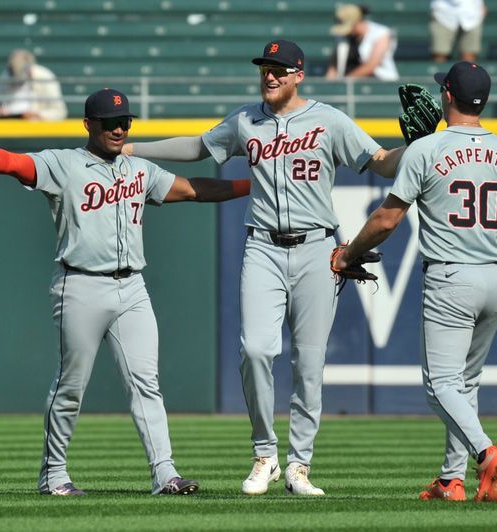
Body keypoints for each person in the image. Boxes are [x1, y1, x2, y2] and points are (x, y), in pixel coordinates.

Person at [123, 39, 404, 496]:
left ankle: (300, 466)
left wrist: (416, 145)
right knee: (255, 350)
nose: (269, 75)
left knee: (309, 363)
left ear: (298, 75)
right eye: (264, 68)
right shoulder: (245, 120)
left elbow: (380, 162)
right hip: (263, 248)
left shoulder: (328, 119)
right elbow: (199, 147)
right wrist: (136, 149)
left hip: (317, 249)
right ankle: (265, 455)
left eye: (279, 69)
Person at [0, 88, 250, 496]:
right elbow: (18, 165)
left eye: (125, 122)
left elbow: (193, 189)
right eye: (110, 122)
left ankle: (165, 474)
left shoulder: (138, 168)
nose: (119, 128)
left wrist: (252, 185)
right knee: (71, 385)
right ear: (89, 124)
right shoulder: (64, 164)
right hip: (80, 285)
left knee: (146, 382)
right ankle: (53, 475)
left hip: (132, 288)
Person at [332, 62, 497, 502]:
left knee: (440, 385)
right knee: (465, 384)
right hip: (496, 280)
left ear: (446, 95)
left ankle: (486, 453)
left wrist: (347, 254)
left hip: (451, 277)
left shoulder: (426, 148)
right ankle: (451, 479)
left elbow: (387, 219)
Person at [325, 4, 399, 81]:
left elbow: (371, 65)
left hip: (382, 84)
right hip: (355, 86)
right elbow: (333, 68)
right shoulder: (346, 39)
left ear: (357, 22)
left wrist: (346, 82)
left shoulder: (381, 33)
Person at [0, 49, 67, 121]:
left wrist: (38, 115)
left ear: (30, 69)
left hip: (36, 129)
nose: (17, 83)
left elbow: (60, 112)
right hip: (8, 127)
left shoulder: (45, 77)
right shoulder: (5, 76)